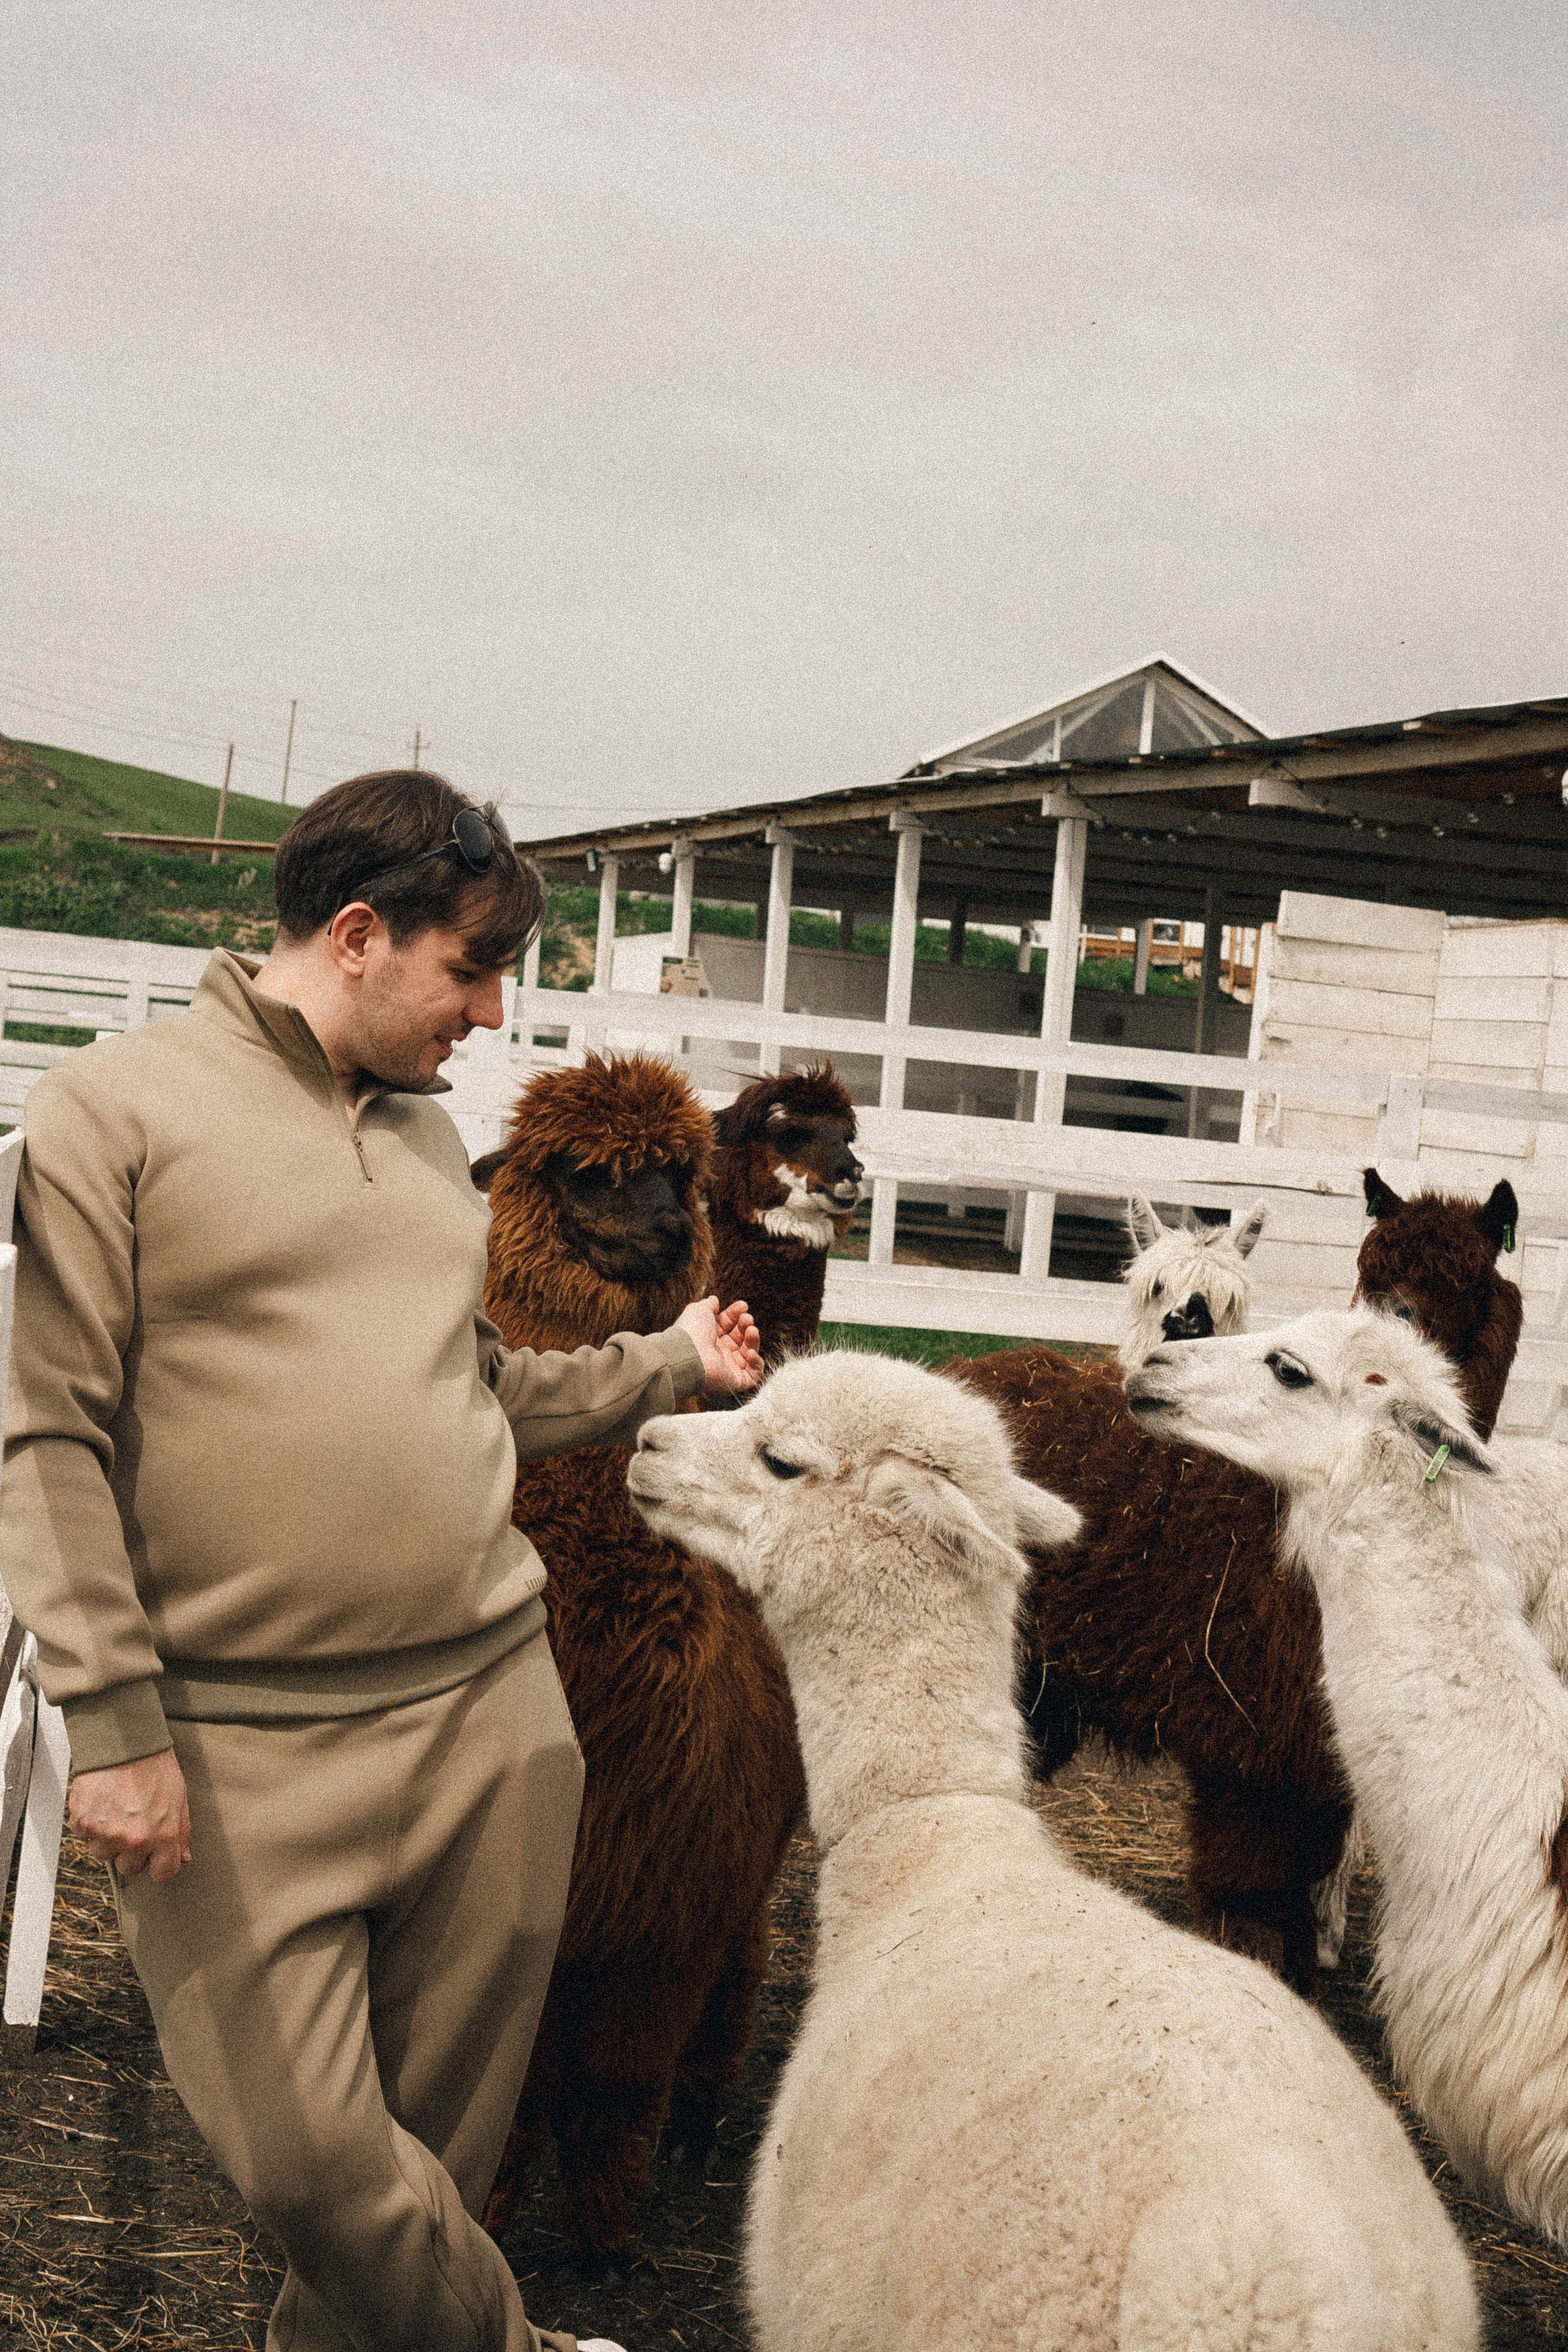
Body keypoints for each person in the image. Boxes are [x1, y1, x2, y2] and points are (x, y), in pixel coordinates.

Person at [0, 769, 763, 2352]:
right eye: (470, 970)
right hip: (235, 1748)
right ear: (358, 934)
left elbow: (477, 1386)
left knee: (415, 2188)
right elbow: (48, 1438)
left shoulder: (429, 1149)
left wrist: (671, 1364)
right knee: (317, 2171)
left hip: (493, 1724)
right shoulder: (112, 1119)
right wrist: (117, 1727)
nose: (491, 1013)